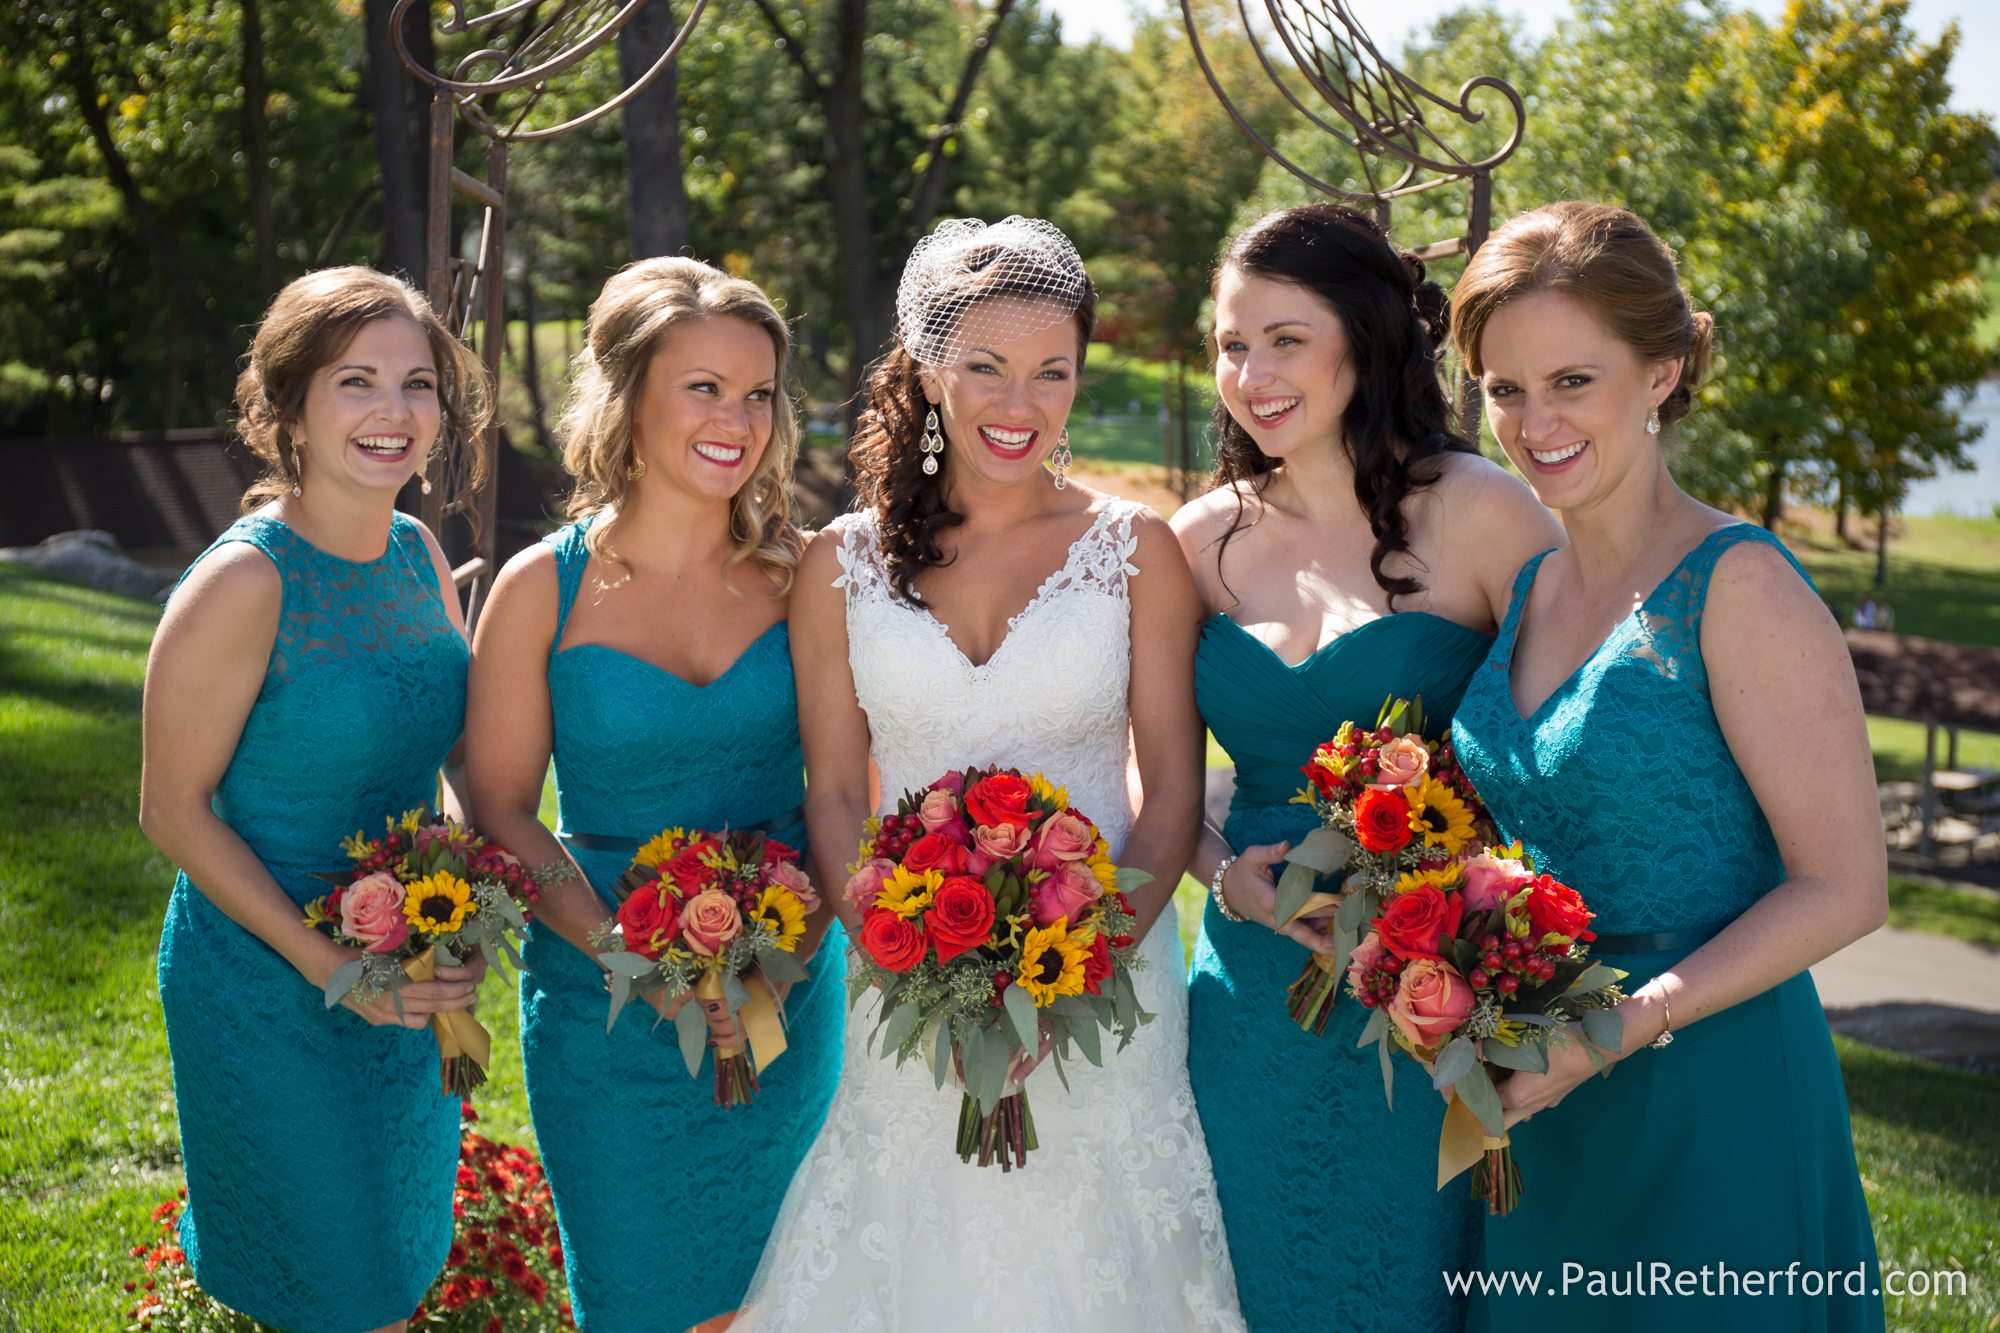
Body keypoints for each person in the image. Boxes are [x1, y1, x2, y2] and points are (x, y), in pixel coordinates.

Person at [736, 216, 1242, 1331]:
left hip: (1106, 990)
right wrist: (899, 955)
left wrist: (1072, 971)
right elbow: (830, 790)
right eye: (985, 368)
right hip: (908, 981)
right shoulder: (839, 563)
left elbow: (1166, 785)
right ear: (925, 371)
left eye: (1051, 372)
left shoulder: (1133, 549)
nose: (1020, 404)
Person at [1447, 200, 1884, 1331]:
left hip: (1708, 1084)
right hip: (1542, 1087)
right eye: (1503, 389)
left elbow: (1845, 884)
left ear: (1663, 368)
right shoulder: (1531, 585)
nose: (1533, 420)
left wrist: (1625, 1024)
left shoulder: (1738, 584)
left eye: (1571, 381)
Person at [1175, 203, 1564, 1333]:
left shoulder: (1485, 512)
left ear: (1365, 335)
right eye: (1229, 343)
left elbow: (1558, 755)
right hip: (1246, 1000)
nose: (1248, 373)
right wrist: (1220, 873)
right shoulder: (1197, 540)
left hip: (1430, 1001)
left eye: (1283, 339)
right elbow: (1151, 782)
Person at [464, 257, 845, 1333]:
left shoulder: (801, 576)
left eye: (758, 391)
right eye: (702, 387)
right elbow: (498, 807)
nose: (737, 419)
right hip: (605, 1009)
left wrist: (785, 950)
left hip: (788, 985)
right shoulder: (543, 584)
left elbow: (843, 786)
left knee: (783, 1295)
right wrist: (630, 959)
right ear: (628, 396)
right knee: (640, 1296)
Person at [140, 267, 489, 1332]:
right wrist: (330, 964)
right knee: (335, 1287)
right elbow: (171, 808)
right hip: (265, 981)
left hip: (402, 975)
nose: (394, 412)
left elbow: (445, 762)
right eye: (357, 382)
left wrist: (463, 908)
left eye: (417, 383)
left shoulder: (419, 550)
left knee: (391, 1270)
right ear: (287, 405)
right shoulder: (244, 582)